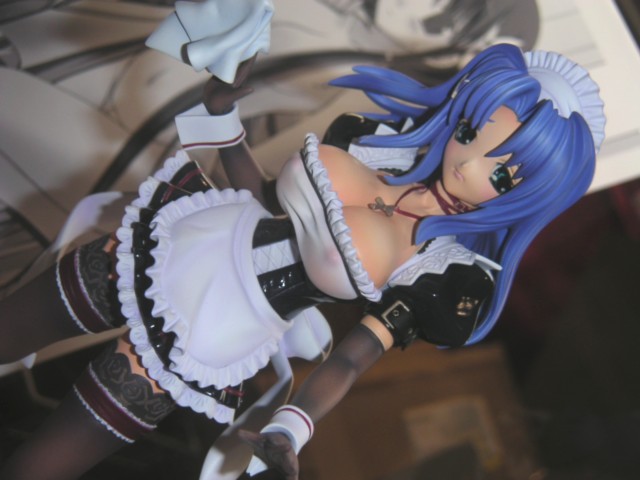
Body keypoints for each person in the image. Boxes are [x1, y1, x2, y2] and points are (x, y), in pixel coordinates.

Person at [0, 8, 604, 478]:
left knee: (36, 468)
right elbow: (265, 197)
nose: (469, 164)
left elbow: (349, 359)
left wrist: (291, 429)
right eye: (470, 132)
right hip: (176, 243)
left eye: (503, 174)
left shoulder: (445, 274)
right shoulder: (374, 143)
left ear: (531, 194)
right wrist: (221, 113)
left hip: (210, 332)